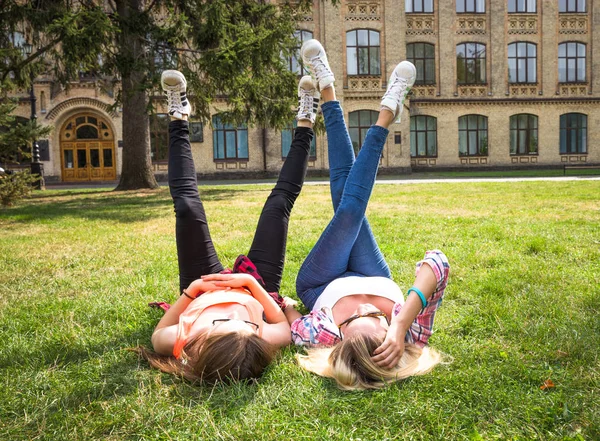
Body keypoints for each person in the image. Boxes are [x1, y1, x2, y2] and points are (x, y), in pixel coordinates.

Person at [283, 40, 450, 390]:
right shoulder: (410, 332)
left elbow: (292, 322)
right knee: (347, 201)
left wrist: (282, 304)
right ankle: (356, 103)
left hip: (320, 280)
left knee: (349, 210)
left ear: (338, 337)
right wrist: (402, 321)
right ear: (391, 335)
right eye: (372, 315)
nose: (359, 307)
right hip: (373, 271)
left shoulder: (322, 335)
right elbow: (437, 262)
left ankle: (378, 111)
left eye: (349, 320)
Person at [140, 69, 320, 383]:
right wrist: (250, 286)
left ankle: (179, 115)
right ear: (254, 336)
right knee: (278, 206)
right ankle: (306, 121)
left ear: (202, 342)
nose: (232, 318)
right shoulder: (260, 339)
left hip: (202, 284)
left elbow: (158, 335)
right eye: (248, 326)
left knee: (186, 205)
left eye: (218, 325)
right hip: (256, 282)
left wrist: (193, 290)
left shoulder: (183, 340)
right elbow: (283, 325)